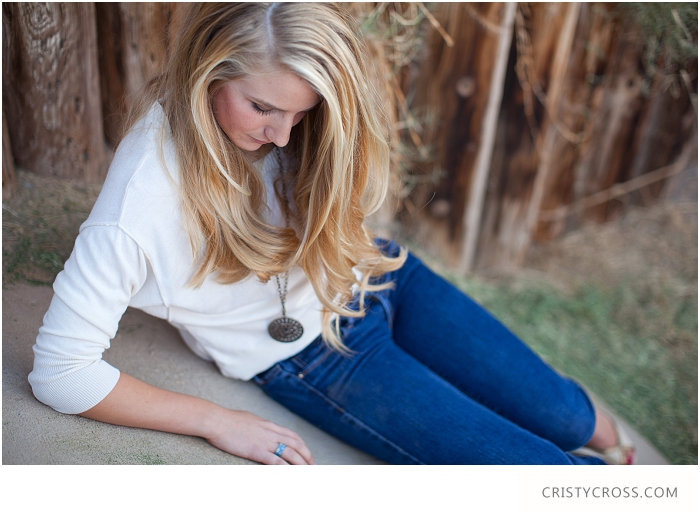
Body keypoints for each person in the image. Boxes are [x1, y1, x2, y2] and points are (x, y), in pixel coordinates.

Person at [28, 2, 634, 465]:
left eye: (302, 112)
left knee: (569, 415)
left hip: (381, 275)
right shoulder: (139, 206)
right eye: (263, 108)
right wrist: (214, 419)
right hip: (311, 358)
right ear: (208, 71)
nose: (285, 136)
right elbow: (62, 372)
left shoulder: (293, 122)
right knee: (541, 471)